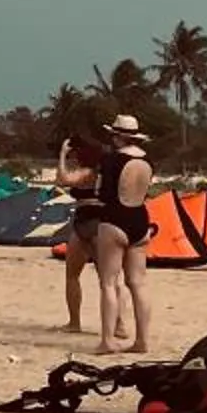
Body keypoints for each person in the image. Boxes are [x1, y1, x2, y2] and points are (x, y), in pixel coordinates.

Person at [55, 116, 155, 353]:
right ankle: (141, 341)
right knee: (138, 284)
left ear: (118, 136)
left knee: (108, 283)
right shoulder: (148, 160)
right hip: (141, 218)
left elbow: (102, 191)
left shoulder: (112, 160)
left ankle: (108, 340)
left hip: (115, 218)